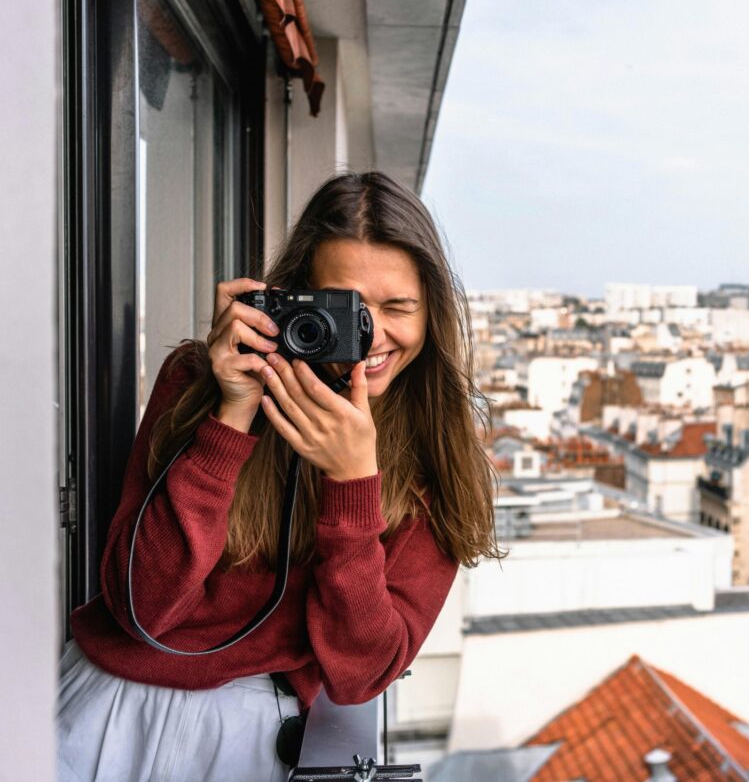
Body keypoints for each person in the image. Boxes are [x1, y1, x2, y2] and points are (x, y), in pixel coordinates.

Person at [56, 171, 503, 781]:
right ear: (293, 298)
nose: (368, 335)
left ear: (432, 314)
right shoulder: (197, 380)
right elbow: (143, 608)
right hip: (106, 707)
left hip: (257, 735)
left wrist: (352, 488)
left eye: (397, 307)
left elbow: (362, 673)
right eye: (343, 307)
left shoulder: (435, 455)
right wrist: (232, 411)